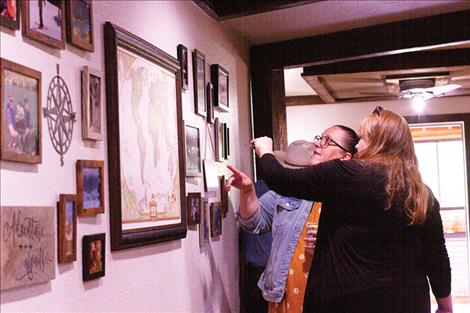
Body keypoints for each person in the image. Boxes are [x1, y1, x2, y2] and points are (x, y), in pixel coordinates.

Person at [248, 107, 452, 313]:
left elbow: (281, 179)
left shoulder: (348, 174)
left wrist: (265, 150)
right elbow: (437, 257)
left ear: (378, 143)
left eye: (362, 138)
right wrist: (445, 306)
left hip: (350, 300)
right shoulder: (421, 193)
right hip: (409, 302)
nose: (357, 146)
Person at [227, 125, 359, 313]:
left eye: (327, 141)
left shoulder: (353, 195)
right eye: (320, 137)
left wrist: (328, 245)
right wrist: (248, 191)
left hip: (329, 296)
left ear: (345, 157)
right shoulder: (294, 186)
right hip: (283, 294)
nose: (318, 143)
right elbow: (254, 222)